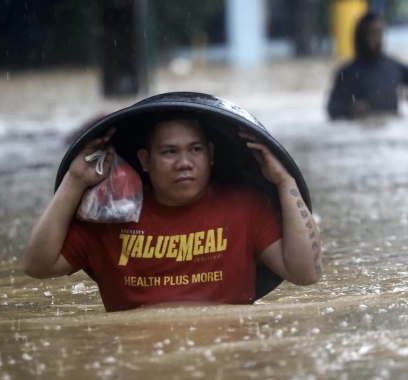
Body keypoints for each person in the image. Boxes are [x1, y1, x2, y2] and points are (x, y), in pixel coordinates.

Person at [23, 117, 322, 312]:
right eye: (169, 152)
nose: (184, 163)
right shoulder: (110, 217)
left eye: (195, 150)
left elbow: (305, 273)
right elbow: (38, 265)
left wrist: (285, 181)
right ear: (145, 160)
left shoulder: (246, 207)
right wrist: (75, 180)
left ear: (211, 155)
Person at [327, 12, 408, 120]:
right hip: (361, 128)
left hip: (391, 125)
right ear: (361, 36)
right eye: (372, 34)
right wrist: (351, 108)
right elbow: (332, 109)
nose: (377, 39)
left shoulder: (394, 67)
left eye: (380, 33)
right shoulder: (347, 73)